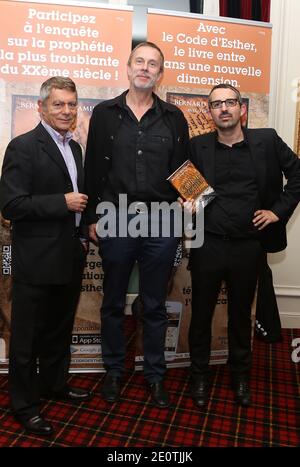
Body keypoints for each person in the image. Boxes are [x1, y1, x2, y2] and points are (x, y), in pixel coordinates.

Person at [84, 42, 189, 408]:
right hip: (116, 217)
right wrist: (90, 219)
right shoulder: (104, 114)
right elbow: (93, 169)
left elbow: (184, 172)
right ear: (128, 68)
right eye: (139, 62)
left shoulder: (175, 117)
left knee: (154, 303)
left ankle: (155, 375)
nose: (145, 68)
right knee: (112, 300)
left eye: (153, 64)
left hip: (162, 220)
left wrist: (190, 205)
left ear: (160, 74)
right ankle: (113, 371)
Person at [187, 83, 300, 408]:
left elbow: (298, 174)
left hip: (249, 247)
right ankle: (199, 376)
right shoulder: (198, 146)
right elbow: (185, 182)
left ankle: (240, 376)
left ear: (242, 109)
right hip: (208, 245)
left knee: (240, 316)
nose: (223, 108)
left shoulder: (266, 141)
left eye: (230, 102)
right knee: (201, 316)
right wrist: (192, 200)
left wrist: (277, 212)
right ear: (210, 113)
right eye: (216, 104)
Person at [0, 77, 91, 436]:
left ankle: (55, 384)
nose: (66, 111)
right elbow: (11, 204)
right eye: (58, 104)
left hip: (69, 256)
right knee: (26, 340)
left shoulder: (76, 148)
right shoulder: (23, 147)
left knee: (58, 330)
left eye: (72, 104)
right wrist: (62, 203)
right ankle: (24, 405)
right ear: (41, 107)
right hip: (36, 260)